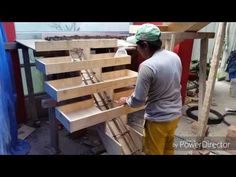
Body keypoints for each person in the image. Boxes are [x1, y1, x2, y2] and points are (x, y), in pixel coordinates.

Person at [115, 24, 182, 155]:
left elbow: (138, 100)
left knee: (153, 151)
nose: (137, 50)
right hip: (175, 115)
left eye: (137, 46)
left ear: (145, 45)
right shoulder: (174, 56)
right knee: (168, 149)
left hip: (158, 120)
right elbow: (171, 83)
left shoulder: (147, 66)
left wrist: (126, 100)